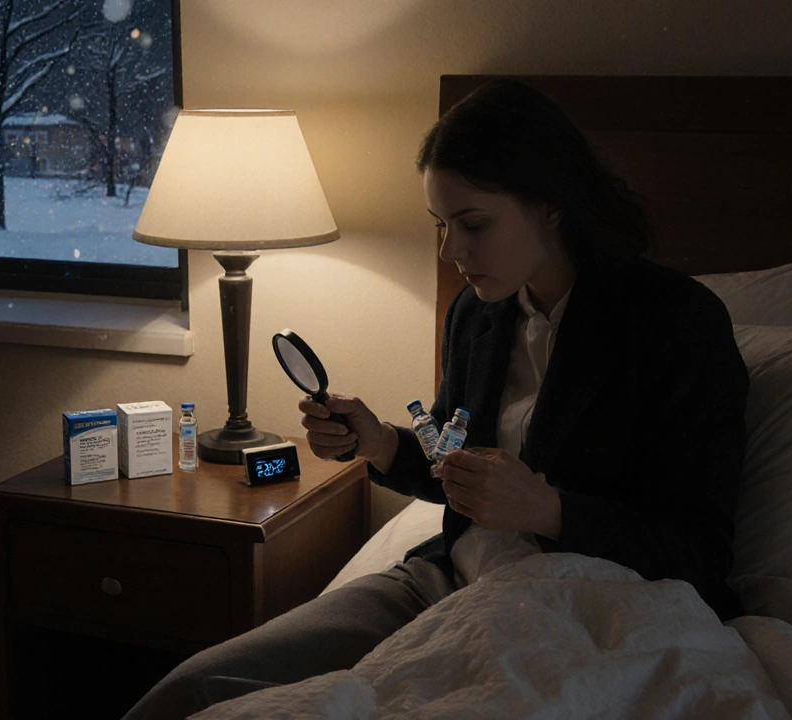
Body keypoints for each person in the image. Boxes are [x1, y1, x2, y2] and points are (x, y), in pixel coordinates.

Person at [123, 78, 749, 720]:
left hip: (589, 605)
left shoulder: (673, 324)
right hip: (448, 580)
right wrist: (383, 443)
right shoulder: (476, 317)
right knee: (191, 692)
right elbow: (457, 467)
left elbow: (699, 551)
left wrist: (549, 510)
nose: (452, 252)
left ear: (552, 204)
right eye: (442, 226)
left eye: (473, 224)